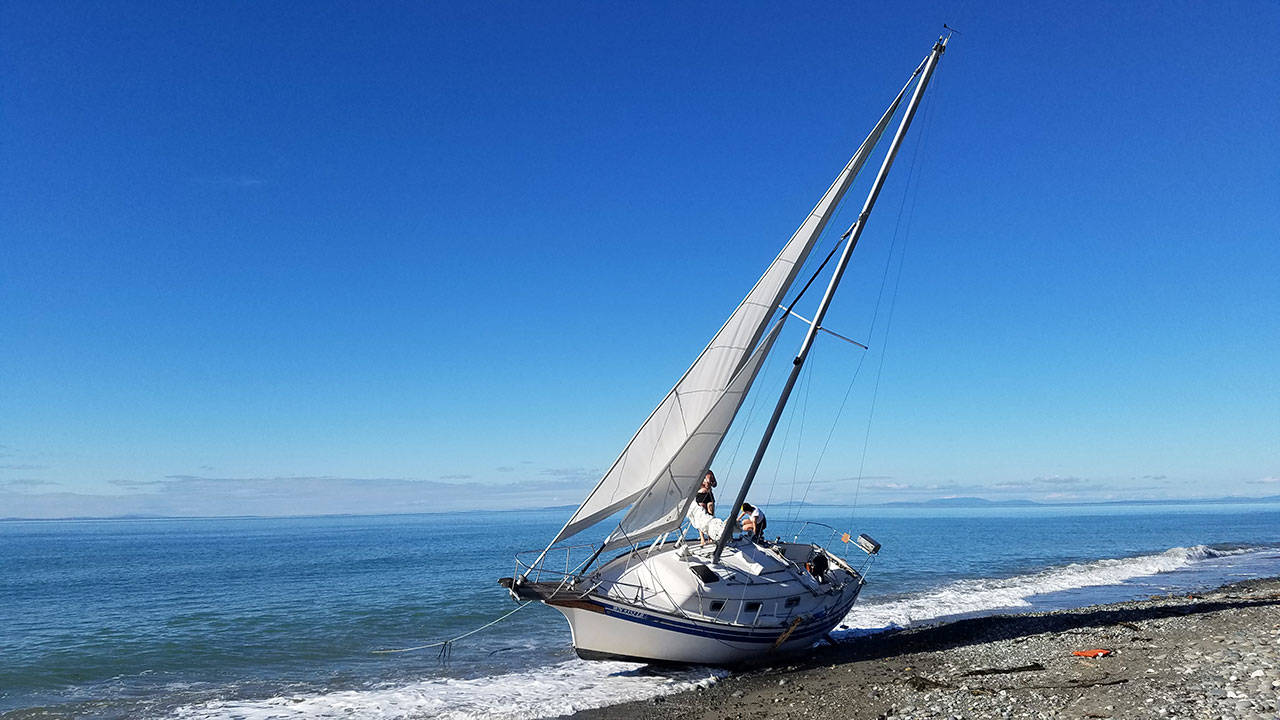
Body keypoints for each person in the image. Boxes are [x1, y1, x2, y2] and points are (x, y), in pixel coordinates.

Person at [694, 471, 718, 545]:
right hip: (701, 495)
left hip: (709, 495)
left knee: (711, 514)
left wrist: (711, 483)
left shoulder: (710, 473)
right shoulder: (699, 472)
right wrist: (703, 484)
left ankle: (710, 536)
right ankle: (702, 538)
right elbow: (694, 485)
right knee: (701, 516)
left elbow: (715, 484)